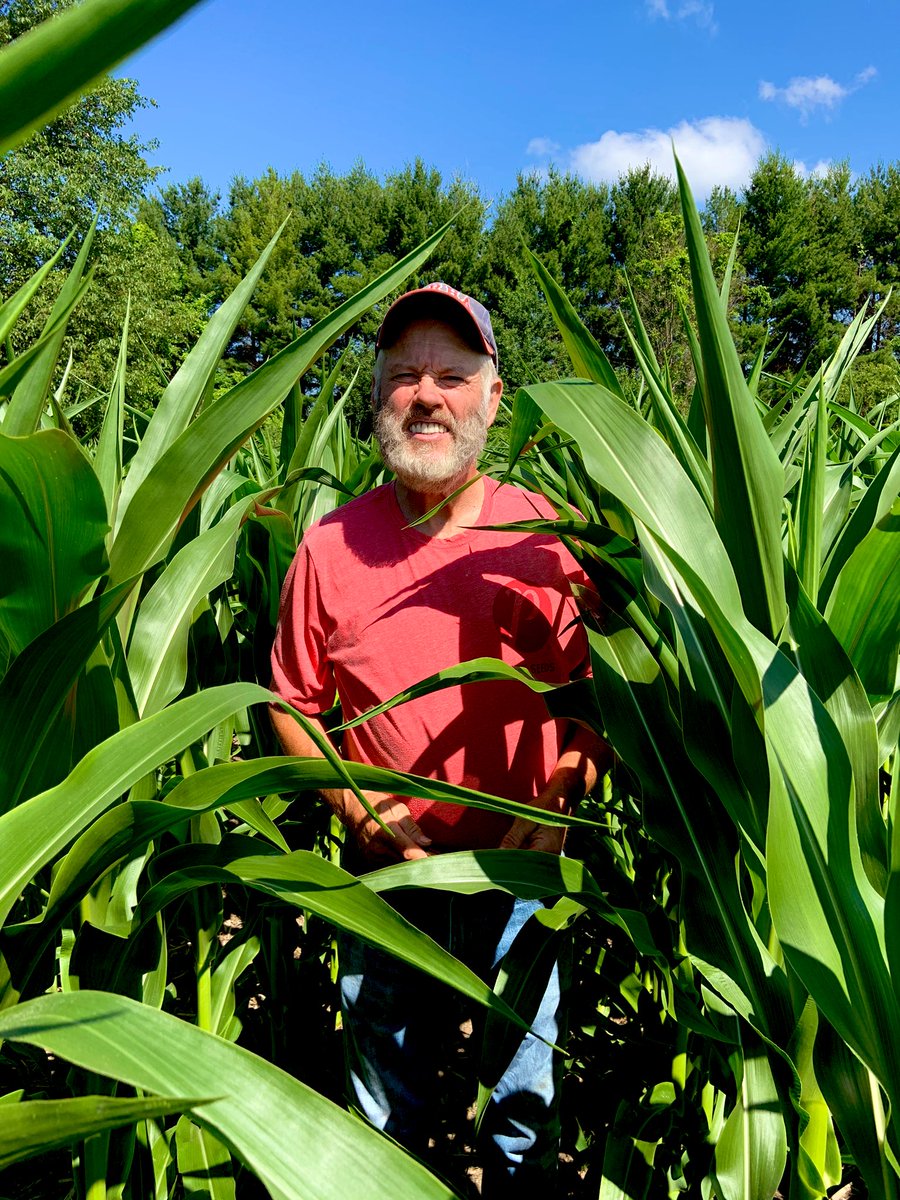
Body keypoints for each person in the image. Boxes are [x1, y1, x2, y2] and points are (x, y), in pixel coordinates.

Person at [270, 281, 609, 1195]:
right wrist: (358, 799)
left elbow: (600, 694)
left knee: (524, 1097)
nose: (427, 396)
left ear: (492, 398)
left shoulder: (546, 536)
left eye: (452, 376)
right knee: (387, 1099)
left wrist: (562, 792)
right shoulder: (328, 547)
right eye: (405, 376)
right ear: (377, 397)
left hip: (521, 871)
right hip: (391, 871)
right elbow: (290, 703)